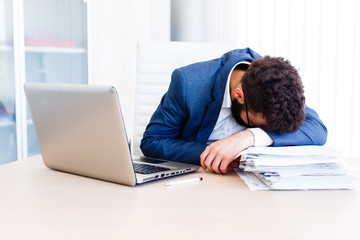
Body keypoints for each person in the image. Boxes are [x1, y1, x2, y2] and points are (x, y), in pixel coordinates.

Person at [140, 48, 327, 174]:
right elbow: (152, 141)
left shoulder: (276, 83)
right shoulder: (188, 84)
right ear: (239, 95)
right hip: (202, 183)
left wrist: (250, 136)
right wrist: (214, 152)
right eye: (255, 123)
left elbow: (317, 130)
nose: (260, 128)